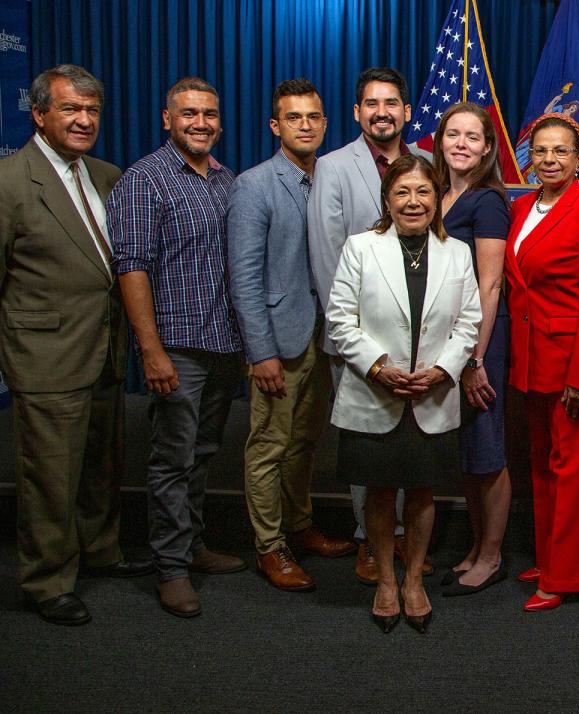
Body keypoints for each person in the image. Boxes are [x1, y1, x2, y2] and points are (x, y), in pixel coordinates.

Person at [0, 64, 153, 626]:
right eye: (70, 109)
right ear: (39, 114)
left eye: (91, 110)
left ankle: (102, 550)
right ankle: (46, 582)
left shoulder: (107, 177)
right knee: (49, 477)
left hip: (103, 351)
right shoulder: (9, 183)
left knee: (99, 465)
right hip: (45, 360)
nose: (84, 120)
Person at [108, 76, 248, 618]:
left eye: (210, 113)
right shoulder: (146, 180)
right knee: (171, 457)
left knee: (204, 452)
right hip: (176, 346)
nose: (202, 123)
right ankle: (170, 566)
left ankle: (193, 544)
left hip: (222, 342)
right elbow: (132, 267)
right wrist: (151, 349)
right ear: (168, 119)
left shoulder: (224, 180)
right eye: (189, 113)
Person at [325, 155, 480, 634]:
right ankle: (385, 580)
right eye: (402, 193)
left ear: (437, 198)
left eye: (424, 192)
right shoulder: (360, 248)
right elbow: (339, 319)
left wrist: (443, 370)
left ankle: (414, 580)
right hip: (376, 393)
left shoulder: (457, 253)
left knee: (421, 491)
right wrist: (378, 368)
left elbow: (469, 320)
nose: (414, 202)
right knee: (378, 491)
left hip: (431, 394)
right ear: (387, 200)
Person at [227, 78, 355, 593]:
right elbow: (245, 276)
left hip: (325, 335)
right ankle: (269, 546)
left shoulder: (329, 175)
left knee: (305, 441)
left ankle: (299, 527)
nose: (306, 125)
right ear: (276, 126)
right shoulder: (254, 185)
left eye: (314, 117)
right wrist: (261, 352)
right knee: (269, 445)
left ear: (325, 123)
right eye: (294, 118)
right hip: (279, 340)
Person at [307, 67, 433, 584]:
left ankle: (404, 535)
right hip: (361, 340)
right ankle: (369, 537)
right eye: (371, 104)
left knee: (411, 436)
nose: (382, 111)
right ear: (357, 112)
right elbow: (326, 255)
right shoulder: (334, 167)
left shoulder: (424, 164)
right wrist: (349, 343)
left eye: (391, 103)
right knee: (367, 438)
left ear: (405, 111)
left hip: (419, 333)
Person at [505, 113, 579, 612]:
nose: (549, 160)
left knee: (571, 469)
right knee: (541, 464)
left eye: (561, 151)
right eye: (541, 151)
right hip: (529, 360)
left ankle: (566, 575)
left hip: (569, 364)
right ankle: (548, 556)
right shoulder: (522, 207)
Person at [429, 102, 513, 596]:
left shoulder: (486, 201)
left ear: (486, 147)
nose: (461, 143)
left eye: (472, 137)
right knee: (466, 451)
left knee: (487, 447)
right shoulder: (436, 193)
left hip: (481, 340)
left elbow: (491, 284)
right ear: (440, 141)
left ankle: (492, 555)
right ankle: (476, 545)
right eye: (452, 134)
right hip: (450, 341)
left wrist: (475, 360)